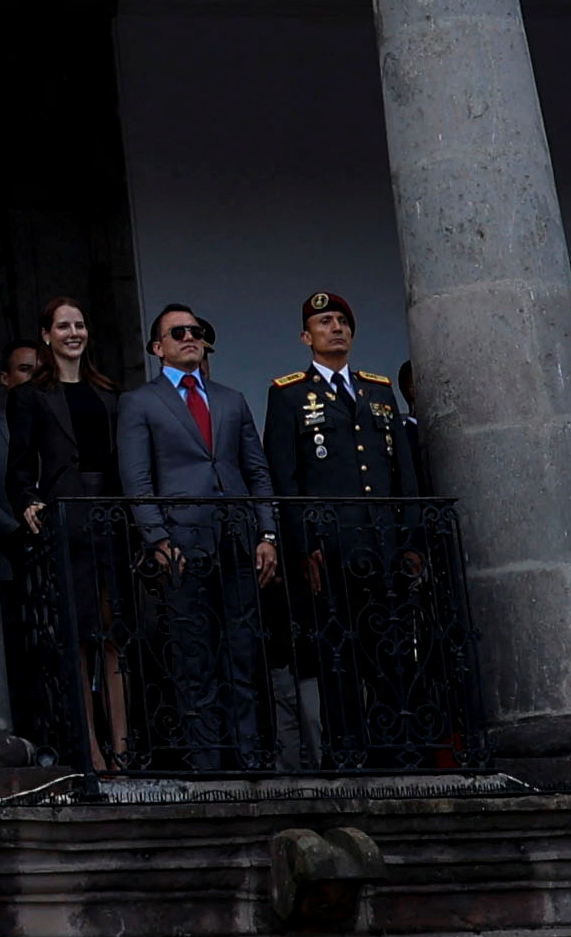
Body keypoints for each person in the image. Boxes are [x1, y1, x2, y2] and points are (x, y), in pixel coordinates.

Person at [262, 289, 423, 772]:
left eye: (342, 321)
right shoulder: (288, 393)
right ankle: (348, 750)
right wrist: (301, 547)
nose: (336, 328)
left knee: (391, 652)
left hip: (383, 543)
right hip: (330, 548)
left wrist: (411, 538)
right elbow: (284, 479)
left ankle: (399, 748)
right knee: (338, 654)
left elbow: (403, 473)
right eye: (326, 321)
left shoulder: (377, 389)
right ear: (306, 336)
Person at [117, 301, 269, 769]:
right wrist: (157, 539)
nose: (190, 337)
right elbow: (138, 480)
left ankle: (248, 757)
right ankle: (207, 762)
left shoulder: (230, 398)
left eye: (196, 330)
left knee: (242, 652)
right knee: (193, 655)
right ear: (157, 347)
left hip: (237, 539)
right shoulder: (140, 401)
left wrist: (268, 533)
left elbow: (257, 471)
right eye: (178, 332)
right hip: (183, 542)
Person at [5, 298, 133, 771]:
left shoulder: (109, 393)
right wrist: (28, 504)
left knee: (114, 633)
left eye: (79, 325)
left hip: (109, 519)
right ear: (46, 335)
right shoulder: (30, 396)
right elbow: (18, 469)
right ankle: (92, 751)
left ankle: (122, 745)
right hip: (67, 519)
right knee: (79, 635)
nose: (73, 333)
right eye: (63, 326)